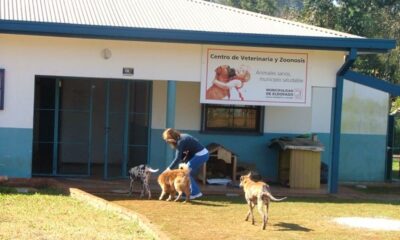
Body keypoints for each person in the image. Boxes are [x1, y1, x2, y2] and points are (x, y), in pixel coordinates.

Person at [162, 128, 209, 200]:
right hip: (201, 154)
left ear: (172, 138)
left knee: (185, 172)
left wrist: (168, 169)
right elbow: (192, 144)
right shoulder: (182, 136)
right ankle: (186, 191)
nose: (167, 141)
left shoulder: (180, 141)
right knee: (185, 172)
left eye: (167, 139)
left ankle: (195, 193)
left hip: (201, 155)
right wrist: (185, 159)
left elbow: (177, 158)